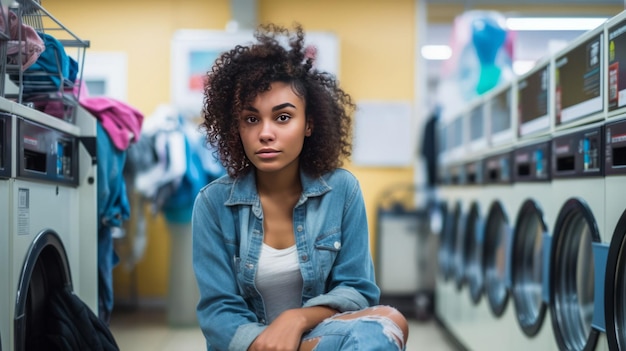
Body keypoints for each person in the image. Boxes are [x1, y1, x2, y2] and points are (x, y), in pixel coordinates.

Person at [192, 22, 409, 351]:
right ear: (236, 127)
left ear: (309, 124)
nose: (266, 133)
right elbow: (219, 314)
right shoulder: (212, 203)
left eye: (282, 117)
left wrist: (294, 320)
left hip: (320, 338)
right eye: (252, 119)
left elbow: (357, 290)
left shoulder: (341, 190)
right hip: (253, 346)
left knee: (390, 321)